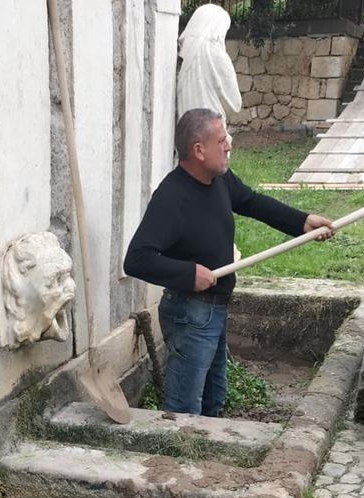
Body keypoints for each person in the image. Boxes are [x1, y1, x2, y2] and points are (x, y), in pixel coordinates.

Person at [124, 109, 334, 418]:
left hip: (214, 309)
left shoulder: (219, 179)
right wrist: (187, 273)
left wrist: (302, 222)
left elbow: (251, 202)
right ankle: (175, 461)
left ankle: (205, 460)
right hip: (189, 313)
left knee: (213, 399)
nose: (229, 146)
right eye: (221, 140)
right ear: (199, 149)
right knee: (184, 409)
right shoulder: (172, 197)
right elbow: (136, 259)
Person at [177, 4, 242, 121]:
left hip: (187, 129)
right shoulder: (216, 55)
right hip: (211, 131)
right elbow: (235, 104)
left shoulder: (183, 54)